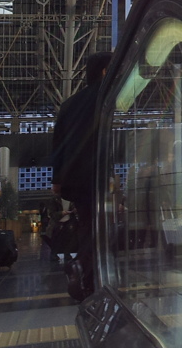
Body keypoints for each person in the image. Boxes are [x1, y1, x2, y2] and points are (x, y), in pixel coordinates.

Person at [50, 50, 112, 298]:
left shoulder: (69, 104)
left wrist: (57, 179)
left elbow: (58, 143)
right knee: (99, 229)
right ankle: (88, 273)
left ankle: (86, 273)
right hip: (96, 175)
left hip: (74, 178)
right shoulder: (107, 99)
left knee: (87, 226)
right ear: (105, 72)